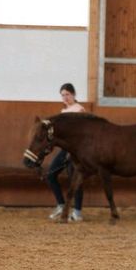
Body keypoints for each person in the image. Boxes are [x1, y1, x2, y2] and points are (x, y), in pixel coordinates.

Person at [47, 83, 86, 222]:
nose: (65, 97)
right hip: (65, 150)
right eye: (63, 95)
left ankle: (77, 212)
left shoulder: (79, 110)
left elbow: (81, 134)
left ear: (74, 94)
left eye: (67, 94)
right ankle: (61, 205)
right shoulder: (63, 112)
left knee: (75, 180)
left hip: (75, 151)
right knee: (51, 175)